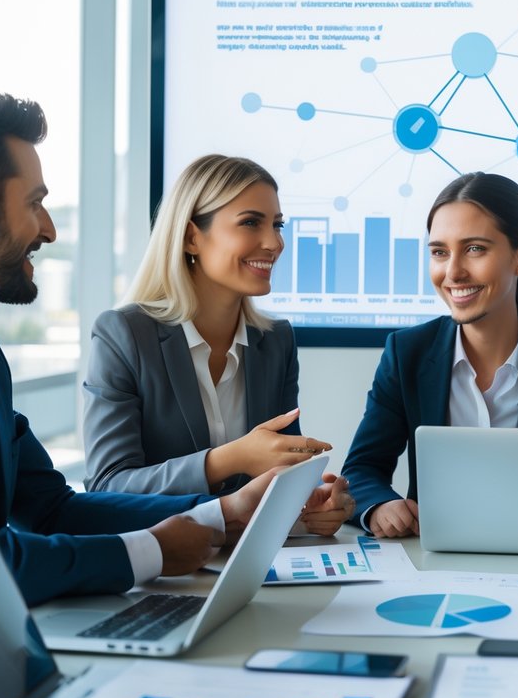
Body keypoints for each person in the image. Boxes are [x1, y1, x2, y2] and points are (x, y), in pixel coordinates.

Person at [0, 94, 291, 638]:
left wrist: (223, 513)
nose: (49, 229)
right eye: (35, 203)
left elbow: (53, 509)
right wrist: (153, 550)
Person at [82, 154, 350, 534]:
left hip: (247, 561)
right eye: (250, 223)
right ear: (193, 236)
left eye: (278, 225)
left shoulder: (276, 341)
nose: (274, 242)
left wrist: (316, 502)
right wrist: (229, 459)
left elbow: (285, 474)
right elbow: (107, 486)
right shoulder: (124, 335)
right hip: (160, 566)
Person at [341, 172, 518, 537]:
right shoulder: (407, 353)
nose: (453, 272)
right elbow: (361, 469)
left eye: (475, 249)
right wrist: (380, 507)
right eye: (439, 252)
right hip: (432, 555)